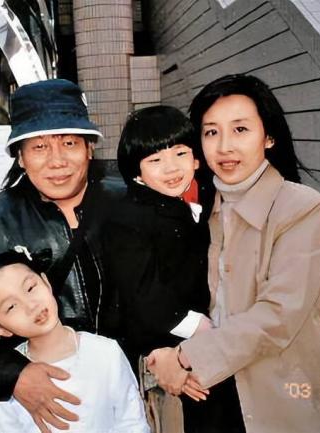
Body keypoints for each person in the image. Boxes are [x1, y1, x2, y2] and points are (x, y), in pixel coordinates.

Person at [146, 74, 320, 433]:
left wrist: (184, 356)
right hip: (201, 394)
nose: (225, 146)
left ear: (268, 136)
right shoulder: (196, 211)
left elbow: (278, 315)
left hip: (277, 398)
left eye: (240, 129)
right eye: (211, 132)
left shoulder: (302, 208)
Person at [0, 79, 125, 433]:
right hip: (44, 399)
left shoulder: (127, 202)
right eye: (39, 147)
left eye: (69, 143)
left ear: (89, 148)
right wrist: (15, 373)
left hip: (122, 386)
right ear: (20, 156)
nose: (57, 161)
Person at [102, 105, 242, 433]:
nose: (171, 168)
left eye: (180, 153)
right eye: (155, 160)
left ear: (196, 159)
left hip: (202, 347)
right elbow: (143, 294)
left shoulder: (194, 203)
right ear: (136, 172)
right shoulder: (128, 218)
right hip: (169, 346)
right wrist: (202, 327)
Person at [0, 247, 150, 433]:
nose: (31, 305)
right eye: (11, 307)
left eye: (30, 288)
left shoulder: (105, 353)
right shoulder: (10, 378)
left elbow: (132, 422)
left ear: (46, 282)